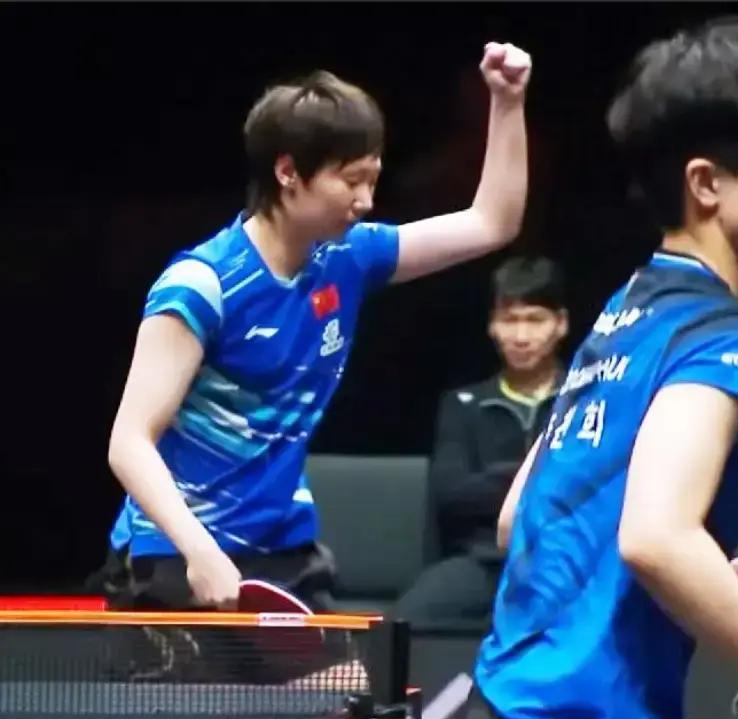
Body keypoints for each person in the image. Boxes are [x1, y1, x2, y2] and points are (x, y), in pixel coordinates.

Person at [467, 18, 738, 719]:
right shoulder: (724, 336)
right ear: (707, 183)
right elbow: (658, 537)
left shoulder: (626, 312)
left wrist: (709, 585)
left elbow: (521, 520)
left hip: (500, 702)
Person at [100, 40, 532, 622]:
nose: (366, 200)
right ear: (288, 173)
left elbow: (491, 222)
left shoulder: (349, 257)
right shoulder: (203, 286)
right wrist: (199, 552)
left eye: (372, 179)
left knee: (355, 680)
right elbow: (130, 441)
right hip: (176, 552)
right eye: (350, 181)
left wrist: (507, 101)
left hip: (283, 549)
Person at [393, 256, 567, 625]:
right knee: (402, 622)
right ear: (492, 325)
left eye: (535, 319)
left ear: (560, 324)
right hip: (483, 560)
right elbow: (451, 493)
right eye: (509, 320)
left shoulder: (582, 400)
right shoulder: (463, 404)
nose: (521, 336)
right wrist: (537, 479)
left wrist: (493, 477)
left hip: (565, 557)